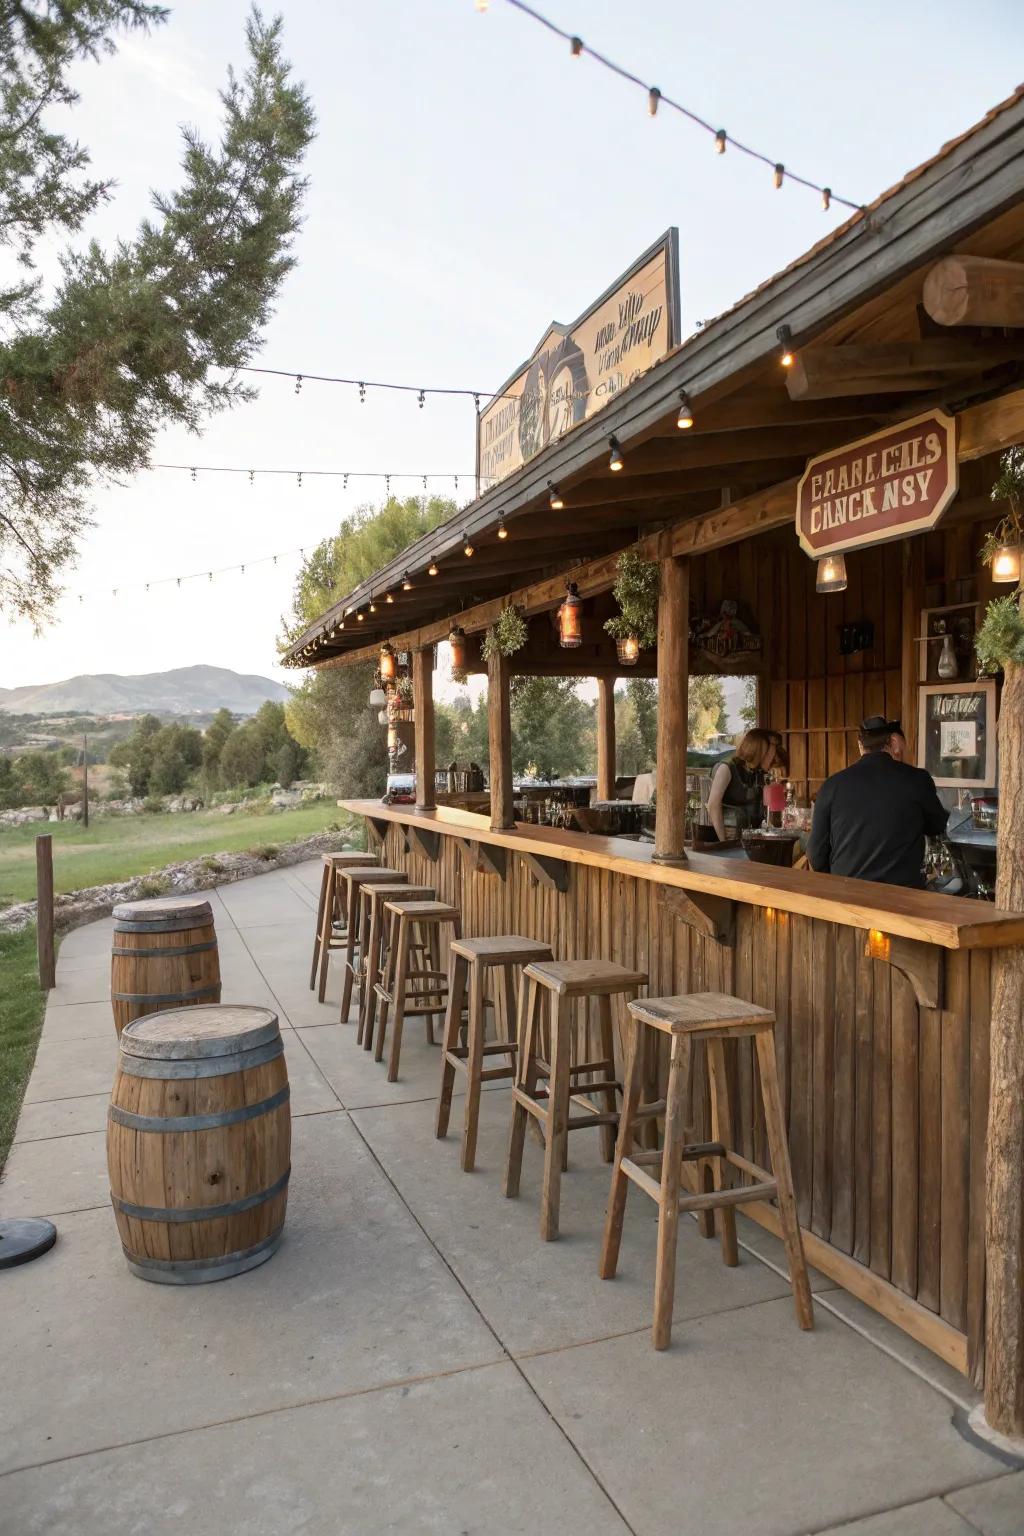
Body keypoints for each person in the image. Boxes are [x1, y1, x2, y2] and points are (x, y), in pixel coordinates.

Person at [807, 715, 947, 888]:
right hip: (902, 897)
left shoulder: (832, 785)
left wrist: (837, 882)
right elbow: (938, 826)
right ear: (893, 741)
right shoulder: (917, 779)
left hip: (846, 894)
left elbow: (815, 853)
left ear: (860, 746)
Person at [706, 728, 776, 841]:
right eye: (770, 754)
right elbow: (713, 805)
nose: (772, 759)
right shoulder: (727, 767)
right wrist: (724, 842)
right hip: (726, 839)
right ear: (759, 751)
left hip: (749, 839)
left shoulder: (756, 772)